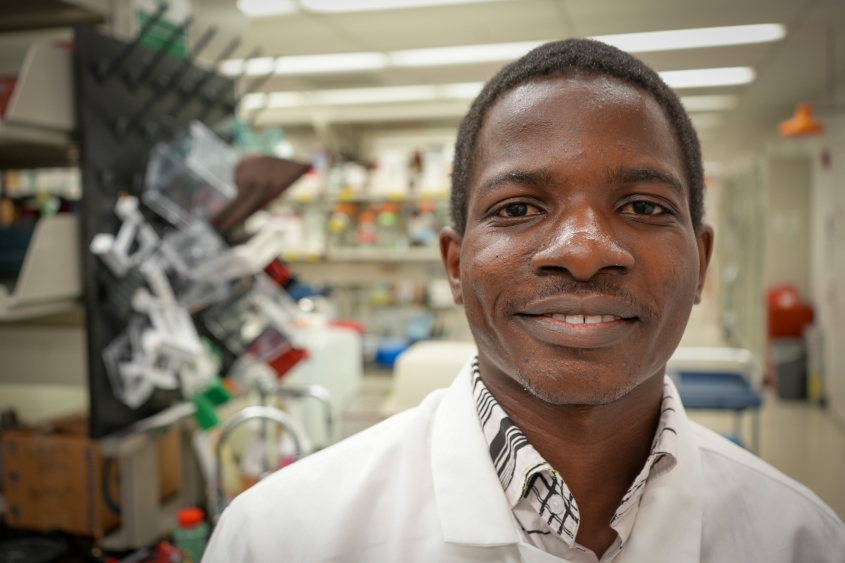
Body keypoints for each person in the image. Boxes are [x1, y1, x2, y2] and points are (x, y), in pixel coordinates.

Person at [202, 39, 845, 562]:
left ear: (701, 260)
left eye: (644, 207)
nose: (585, 249)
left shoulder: (800, 540)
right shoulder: (281, 538)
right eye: (518, 208)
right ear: (456, 265)